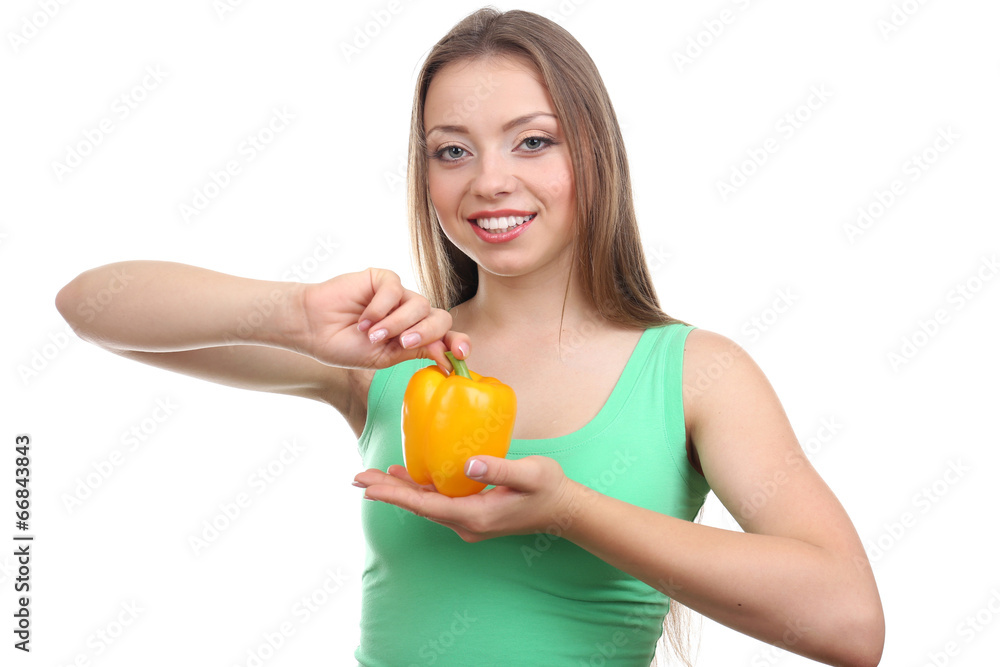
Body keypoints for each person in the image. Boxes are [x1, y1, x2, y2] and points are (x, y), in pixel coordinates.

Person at [56, 7, 884, 666]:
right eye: (451, 150)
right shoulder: (390, 357)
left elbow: (849, 622)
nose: (490, 180)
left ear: (594, 151)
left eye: (533, 140)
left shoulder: (694, 372)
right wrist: (299, 316)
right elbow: (90, 305)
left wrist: (569, 510)